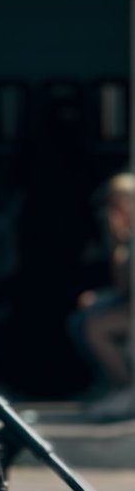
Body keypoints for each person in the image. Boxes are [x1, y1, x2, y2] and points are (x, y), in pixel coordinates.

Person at [67, 171, 134, 419]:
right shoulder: (125, 237)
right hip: (126, 303)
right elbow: (122, 285)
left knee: (95, 328)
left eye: (120, 203)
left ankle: (125, 386)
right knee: (80, 321)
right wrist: (117, 240)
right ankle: (109, 384)